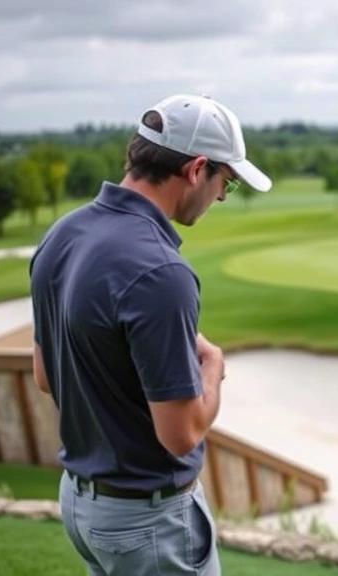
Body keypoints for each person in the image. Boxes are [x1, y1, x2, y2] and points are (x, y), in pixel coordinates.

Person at [29, 93, 273, 575]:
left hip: (82, 506)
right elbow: (180, 436)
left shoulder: (63, 234)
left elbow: (44, 375)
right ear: (196, 168)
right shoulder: (162, 271)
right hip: (148, 521)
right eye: (225, 181)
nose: (222, 195)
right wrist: (213, 369)